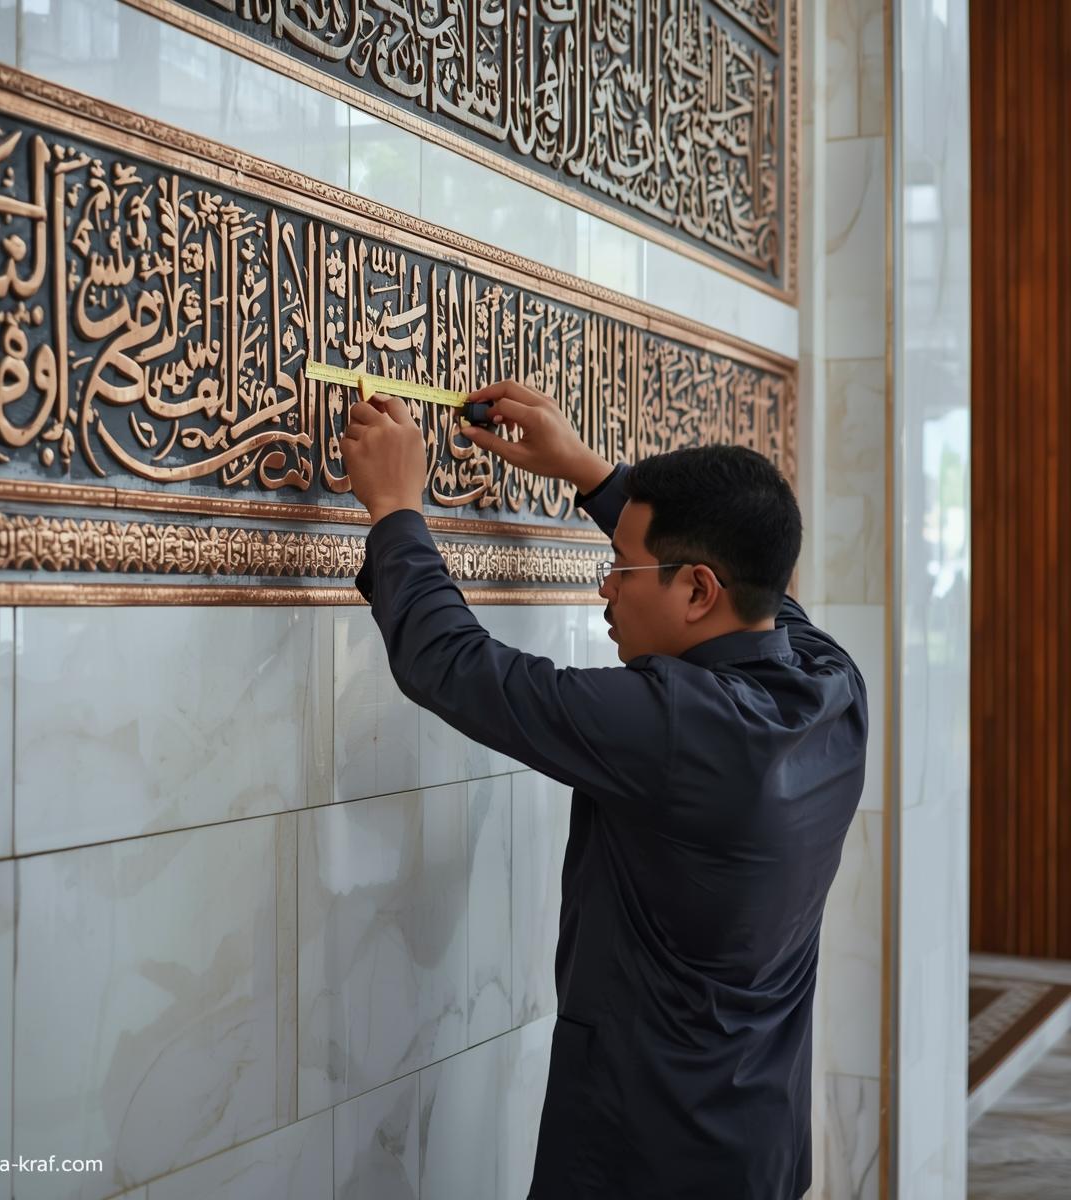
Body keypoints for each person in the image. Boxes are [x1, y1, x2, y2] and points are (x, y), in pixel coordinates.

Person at [338, 379, 868, 1200]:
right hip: (759, 1143)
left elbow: (458, 668)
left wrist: (397, 509)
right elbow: (764, 592)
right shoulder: (831, 687)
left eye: (621, 566)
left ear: (697, 592)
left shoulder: (677, 729)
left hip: (647, 1152)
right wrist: (586, 470)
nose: (604, 587)